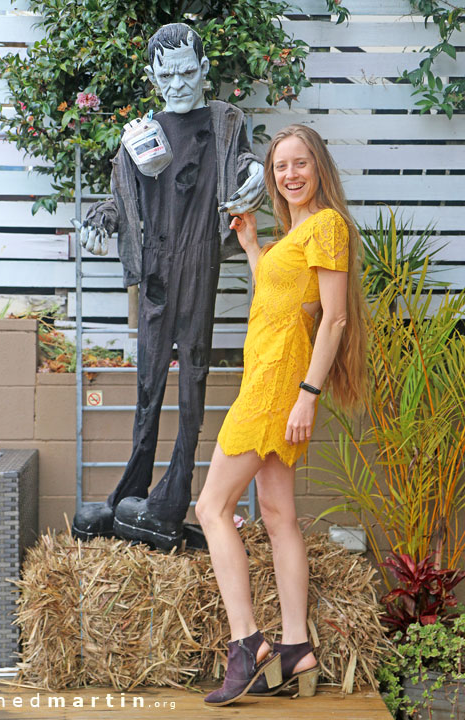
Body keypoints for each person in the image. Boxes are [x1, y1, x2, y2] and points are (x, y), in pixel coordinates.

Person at [71, 23, 265, 550]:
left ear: (204, 71)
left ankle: (172, 500)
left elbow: (243, 164)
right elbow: (119, 198)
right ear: (153, 78)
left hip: (199, 260)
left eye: (186, 72)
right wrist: (99, 219)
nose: (178, 84)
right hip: (156, 270)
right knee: (148, 386)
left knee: (193, 381)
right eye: (166, 75)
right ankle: (129, 496)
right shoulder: (141, 133)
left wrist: (256, 176)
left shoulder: (227, 122)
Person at [195, 124, 367, 706]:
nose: (289, 174)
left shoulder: (327, 226)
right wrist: (251, 249)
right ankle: (295, 647)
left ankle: (247, 642)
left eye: (299, 163)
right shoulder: (297, 233)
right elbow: (284, 303)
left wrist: (306, 395)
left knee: (211, 507)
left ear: (319, 166)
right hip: (270, 381)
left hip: (275, 389)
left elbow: (334, 319)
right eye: (280, 167)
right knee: (276, 514)